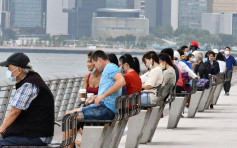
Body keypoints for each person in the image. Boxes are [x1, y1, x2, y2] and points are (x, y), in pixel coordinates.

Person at [66, 50, 125, 148]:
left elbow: (121, 81)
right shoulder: (107, 69)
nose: (95, 67)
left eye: (94, 64)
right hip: (104, 106)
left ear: (99, 60)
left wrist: (103, 96)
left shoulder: (110, 68)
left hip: (106, 109)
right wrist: (97, 96)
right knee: (68, 115)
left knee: (69, 118)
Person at [0, 53, 54, 147]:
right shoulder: (33, 79)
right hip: (37, 132)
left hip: (36, 136)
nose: (8, 71)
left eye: (9, 68)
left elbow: (14, 111)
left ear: (19, 70)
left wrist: (1, 130)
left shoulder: (28, 85)